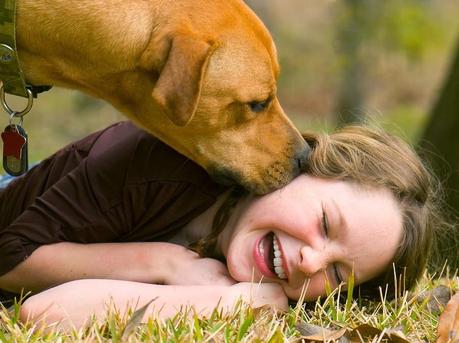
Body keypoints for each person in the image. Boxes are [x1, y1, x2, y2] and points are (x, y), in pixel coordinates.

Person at [0, 121, 439, 329]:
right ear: (306, 164)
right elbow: (12, 268)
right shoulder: (161, 154)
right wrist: (168, 265)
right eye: (326, 223)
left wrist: (225, 298)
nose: (311, 260)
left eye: (338, 273)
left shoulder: (274, 277)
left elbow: (59, 311)